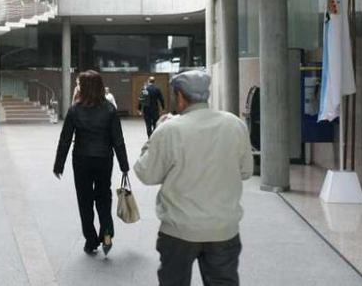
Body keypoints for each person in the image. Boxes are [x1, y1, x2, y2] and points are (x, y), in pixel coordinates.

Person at [134, 70, 254, 286]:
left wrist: (155, 135)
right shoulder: (234, 124)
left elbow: (146, 173)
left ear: (179, 96)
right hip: (223, 228)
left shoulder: (169, 129)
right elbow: (246, 171)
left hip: (179, 230)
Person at [53, 70, 130, 256]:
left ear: (86, 87)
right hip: (104, 159)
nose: (77, 86)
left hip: (81, 160)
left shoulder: (74, 110)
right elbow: (118, 140)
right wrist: (124, 165)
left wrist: (59, 165)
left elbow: (65, 139)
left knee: (84, 201)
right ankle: (107, 233)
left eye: (79, 84)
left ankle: (90, 240)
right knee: (104, 196)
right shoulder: (110, 110)